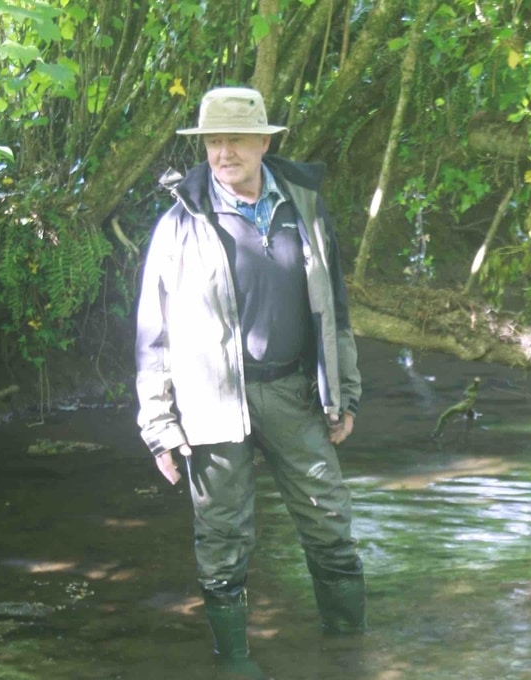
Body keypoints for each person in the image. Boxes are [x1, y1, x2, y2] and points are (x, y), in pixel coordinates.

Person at [134, 86, 365, 676]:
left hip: (293, 393)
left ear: (264, 142)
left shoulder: (305, 209)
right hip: (210, 403)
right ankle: (234, 663)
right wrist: (159, 424)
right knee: (222, 539)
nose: (223, 151)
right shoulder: (179, 223)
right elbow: (152, 333)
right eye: (213, 140)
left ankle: (347, 652)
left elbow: (334, 307)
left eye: (236, 138)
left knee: (330, 522)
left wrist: (345, 393)